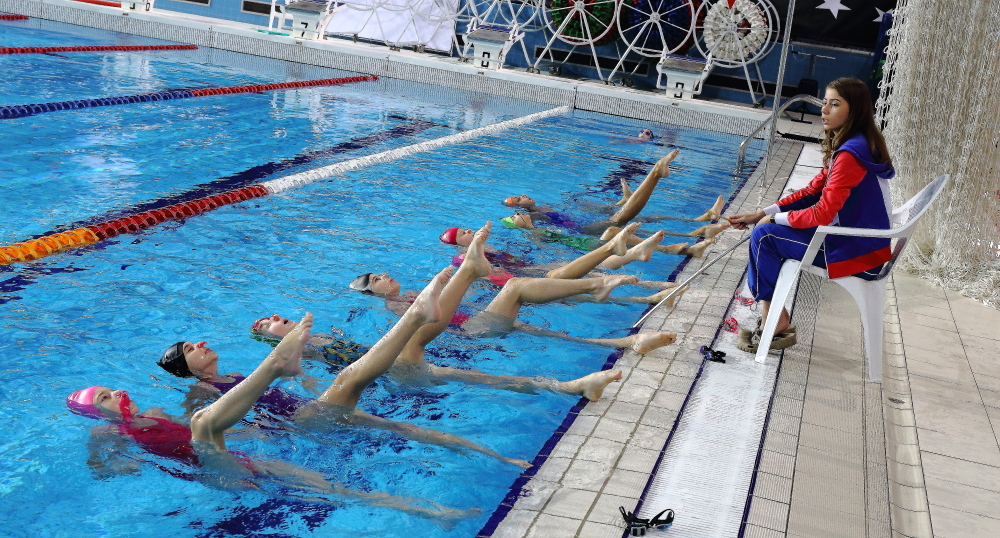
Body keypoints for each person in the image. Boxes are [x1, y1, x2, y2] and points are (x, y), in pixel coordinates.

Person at [68, 305, 477, 524]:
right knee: (353, 383)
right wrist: (116, 467)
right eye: (105, 396)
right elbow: (102, 467)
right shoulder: (184, 399)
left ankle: (429, 512)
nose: (117, 393)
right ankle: (407, 323)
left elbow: (233, 424)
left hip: (243, 453)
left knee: (328, 486)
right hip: (214, 469)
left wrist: (257, 434)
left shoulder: (158, 410)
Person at [158, 269, 531, 469]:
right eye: (191, 349)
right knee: (350, 377)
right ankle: (420, 315)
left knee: (405, 427)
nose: (201, 345)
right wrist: (261, 435)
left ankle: (502, 459)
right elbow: (208, 434)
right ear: (183, 368)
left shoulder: (231, 375)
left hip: (315, 413)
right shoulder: (200, 392)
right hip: (305, 420)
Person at [727, 77, 895, 353]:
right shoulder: (858, 145)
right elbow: (813, 191)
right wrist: (763, 212)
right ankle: (774, 317)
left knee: (765, 236)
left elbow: (823, 211)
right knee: (765, 229)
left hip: (859, 255)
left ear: (855, 111)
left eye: (834, 104)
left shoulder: (851, 155)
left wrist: (774, 220)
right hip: (863, 245)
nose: (824, 110)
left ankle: (774, 320)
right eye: (824, 103)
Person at [353, 223, 679, 354]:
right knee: (519, 287)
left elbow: (450, 299)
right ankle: (606, 273)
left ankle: (628, 341)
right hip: (473, 330)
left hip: (477, 320)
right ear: (374, 294)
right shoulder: (397, 308)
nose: (383, 275)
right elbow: (434, 326)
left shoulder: (409, 298)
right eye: (375, 280)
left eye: (380, 273)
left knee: (551, 327)